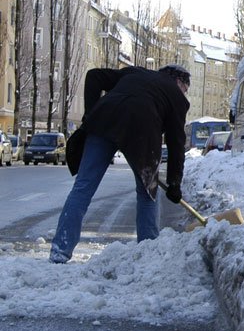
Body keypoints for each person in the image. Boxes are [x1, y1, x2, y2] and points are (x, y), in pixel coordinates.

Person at [49, 65, 191, 263]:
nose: (185, 93)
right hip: (142, 131)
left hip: (103, 120)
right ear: (178, 82)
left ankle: (60, 251)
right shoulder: (176, 97)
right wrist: (175, 182)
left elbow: (94, 75)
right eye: (186, 88)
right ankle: (146, 252)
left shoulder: (135, 72)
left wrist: (90, 113)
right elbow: (176, 142)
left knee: (83, 188)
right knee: (146, 193)